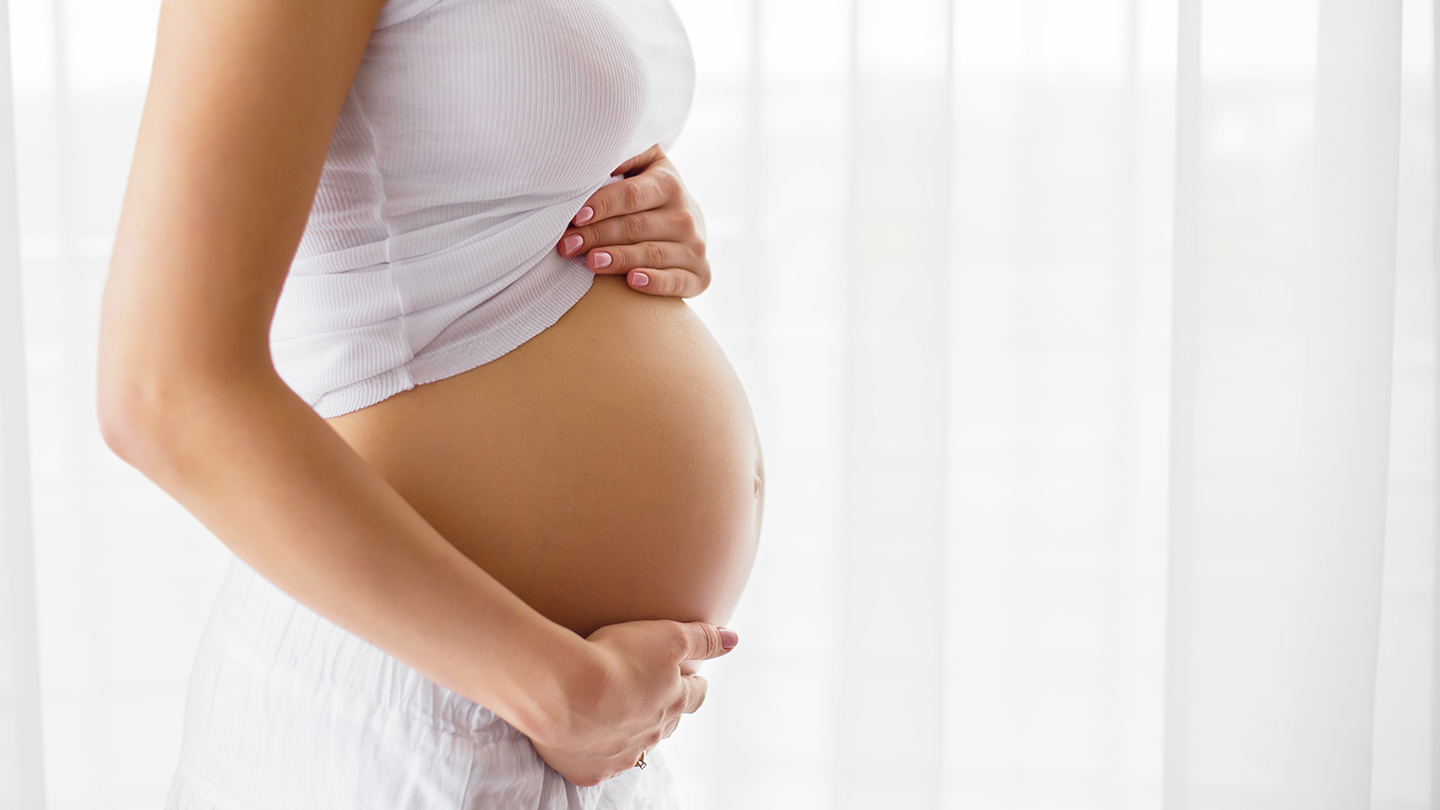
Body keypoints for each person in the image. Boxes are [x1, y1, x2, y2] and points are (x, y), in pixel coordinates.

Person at [96, 0, 763, 806]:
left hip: (562, 711)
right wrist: (559, 690)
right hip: (427, 699)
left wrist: (644, 201)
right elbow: (164, 392)